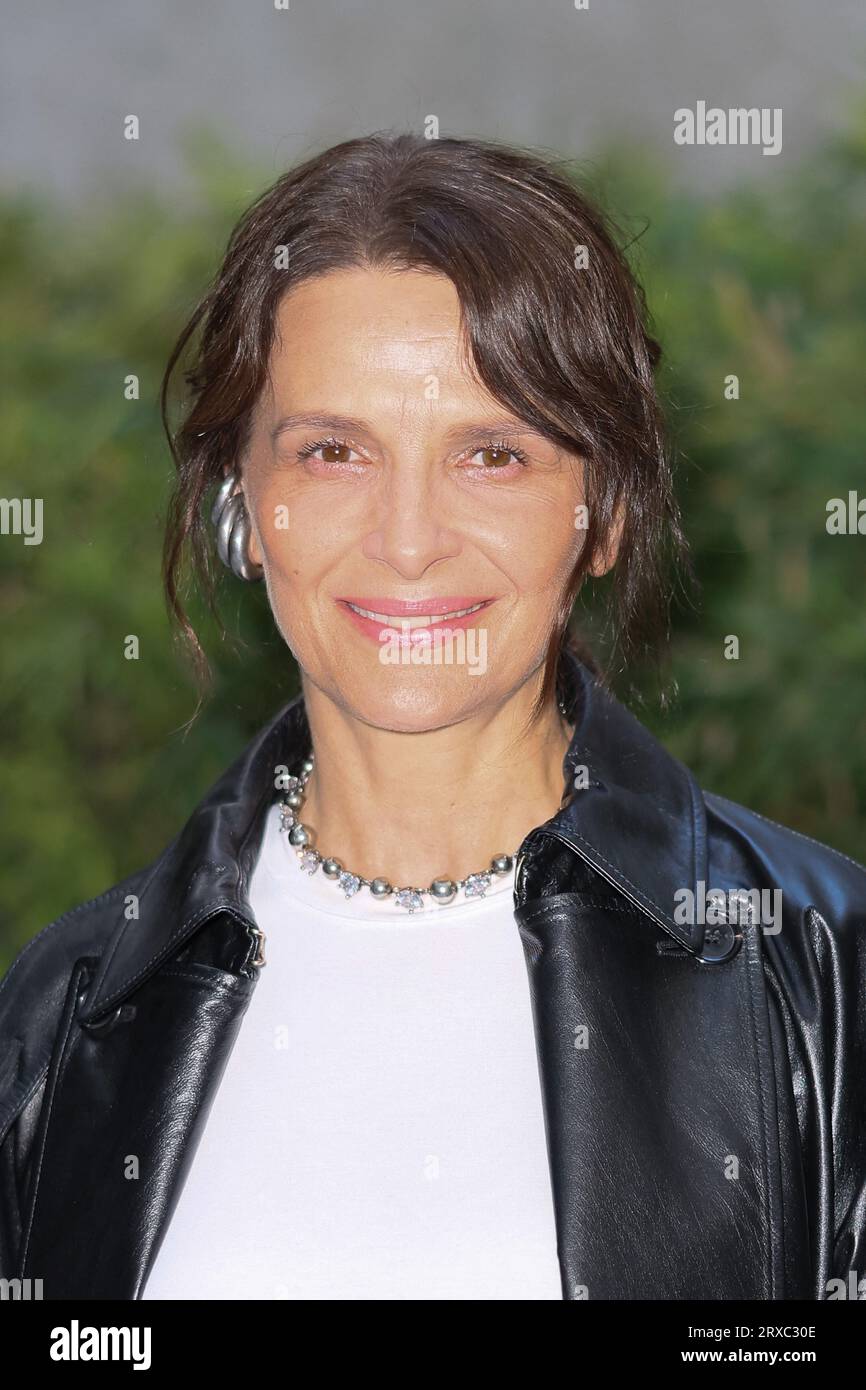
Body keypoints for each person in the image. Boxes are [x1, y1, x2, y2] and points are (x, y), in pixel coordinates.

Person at [1, 132, 864, 1301]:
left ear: (600, 513)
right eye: (332, 451)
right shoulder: (66, 1013)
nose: (407, 538)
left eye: (492, 454)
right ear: (244, 509)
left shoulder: (816, 968)